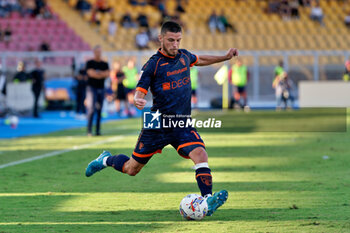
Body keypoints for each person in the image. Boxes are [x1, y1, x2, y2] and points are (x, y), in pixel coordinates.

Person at [85, 21, 239, 217]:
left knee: (200, 154)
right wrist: (138, 99)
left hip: (181, 122)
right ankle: (105, 160)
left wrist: (225, 57)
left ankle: (207, 200)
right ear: (161, 39)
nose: (175, 44)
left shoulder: (184, 56)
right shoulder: (152, 64)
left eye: (178, 40)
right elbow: (140, 90)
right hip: (156, 122)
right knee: (132, 169)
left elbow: (201, 59)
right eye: (171, 40)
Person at [86, 45, 110, 136]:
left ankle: (97, 130)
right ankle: (89, 130)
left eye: (100, 51)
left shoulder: (104, 64)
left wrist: (97, 73)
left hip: (101, 88)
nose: (98, 53)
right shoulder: (90, 62)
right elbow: (91, 74)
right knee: (91, 109)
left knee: (100, 109)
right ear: (94, 52)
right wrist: (101, 74)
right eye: (97, 51)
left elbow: (107, 74)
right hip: (91, 88)